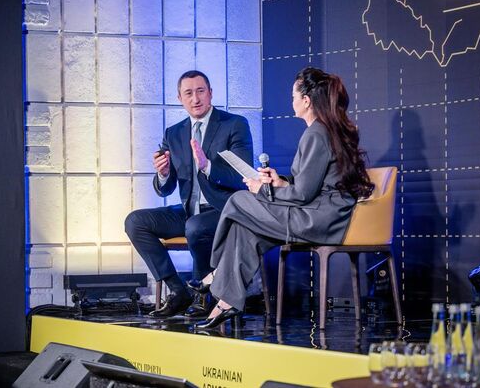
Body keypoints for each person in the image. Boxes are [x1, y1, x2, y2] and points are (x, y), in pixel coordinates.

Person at [193, 67, 374, 329]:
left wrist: (262, 189)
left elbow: (302, 195)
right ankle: (226, 302)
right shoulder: (324, 130)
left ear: (306, 101)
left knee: (239, 200)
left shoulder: (316, 133)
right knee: (246, 229)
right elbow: (309, 184)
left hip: (319, 220)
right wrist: (280, 182)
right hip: (320, 214)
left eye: (293, 97)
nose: (291, 102)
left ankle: (217, 271)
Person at [125, 70, 254, 318]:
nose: (195, 99)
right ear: (180, 99)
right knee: (135, 221)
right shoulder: (173, 133)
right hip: (189, 211)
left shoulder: (234, 124)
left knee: (195, 227)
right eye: (188, 93)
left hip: (225, 210)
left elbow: (242, 176)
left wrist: (208, 166)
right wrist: (163, 173)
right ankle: (178, 291)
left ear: (210, 93)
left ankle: (204, 293)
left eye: (200, 91)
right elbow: (165, 188)